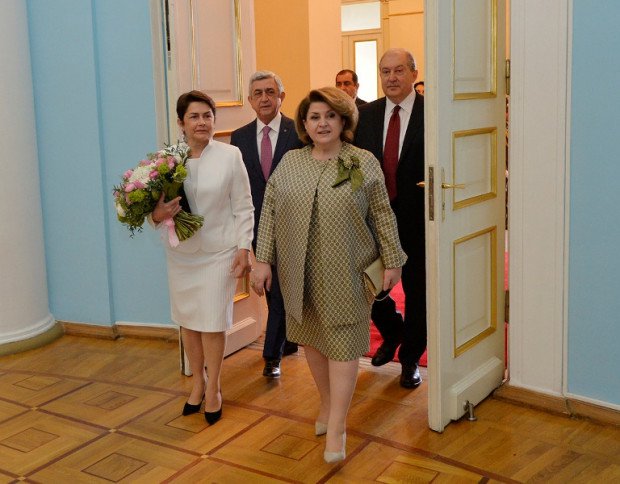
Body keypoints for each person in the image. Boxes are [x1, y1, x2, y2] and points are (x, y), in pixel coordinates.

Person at [251, 87, 406, 463]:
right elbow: (269, 210)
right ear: (304, 124)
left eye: (330, 116)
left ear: (343, 120)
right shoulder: (291, 162)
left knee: (343, 343)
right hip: (298, 270)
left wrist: (393, 260)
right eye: (314, 117)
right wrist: (263, 259)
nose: (322, 123)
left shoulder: (360, 162)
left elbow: (381, 213)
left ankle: (337, 426)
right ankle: (326, 404)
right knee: (313, 339)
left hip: (347, 270)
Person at [151, 90, 254, 424]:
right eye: (194, 117)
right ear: (181, 123)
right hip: (181, 254)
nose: (202, 122)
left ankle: (214, 388)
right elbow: (153, 211)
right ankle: (198, 382)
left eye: (207, 115)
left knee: (211, 322)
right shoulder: (166, 161)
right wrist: (157, 214)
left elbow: (244, 206)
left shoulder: (230, 155)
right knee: (189, 322)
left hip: (219, 252)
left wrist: (244, 247)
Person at [354, 48, 426, 389]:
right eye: (385, 71)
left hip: (418, 220)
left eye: (399, 70)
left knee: (417, 291)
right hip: (372, 220)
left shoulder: (431, 113)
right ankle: (393, 331)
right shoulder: (365, 115)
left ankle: (410, 359)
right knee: (369, 285)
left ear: (414, 73)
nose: (392, 78)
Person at [230, 71, 303, 379]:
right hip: (257, 223)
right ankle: (288, 341)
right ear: (249, 100)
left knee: (282, 288)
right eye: (258, 93)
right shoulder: (239, 137)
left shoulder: (297, 131)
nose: (264, 98)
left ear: (281, 97)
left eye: (270, 92)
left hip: (293, 224)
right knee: (272, 287)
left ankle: (271, 355)